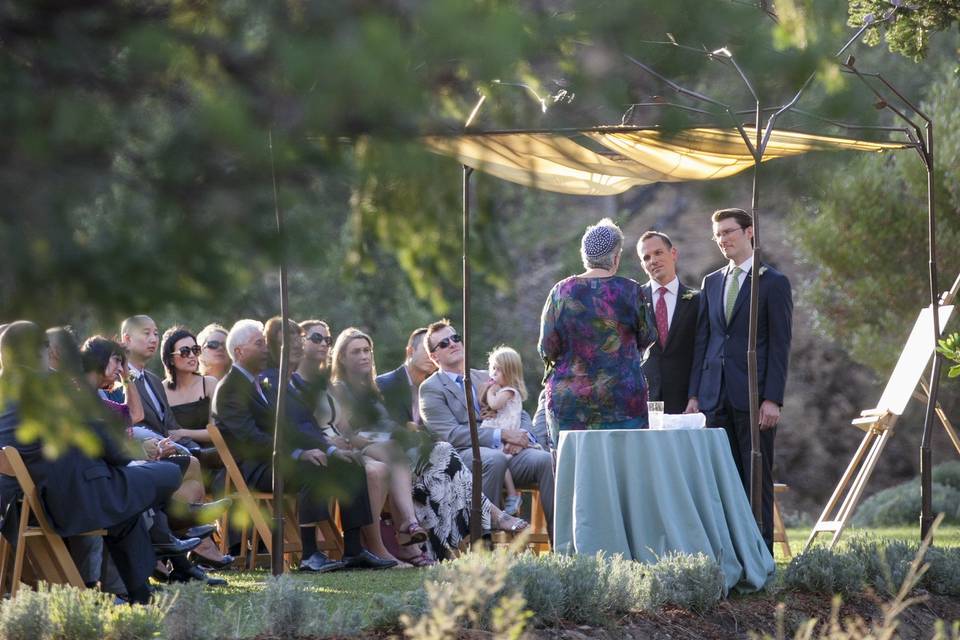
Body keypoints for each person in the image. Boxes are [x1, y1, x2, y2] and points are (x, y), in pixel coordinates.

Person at [0, 321, 183, 603]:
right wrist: (136, 454)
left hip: (18, 507)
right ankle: (163, 552)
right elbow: (101, 438)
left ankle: (139, 593)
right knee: (169, 472)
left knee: (127, 510)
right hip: (68, 500)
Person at [212, 319, 395, 571]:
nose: (267, 348)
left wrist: (331, 450)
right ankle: (309, 554)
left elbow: (290, 430)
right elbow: (250, 439)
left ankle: (354, 550)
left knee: (351, 464)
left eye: (265, 343)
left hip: (279, 459)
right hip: (256, 468)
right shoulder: (230, 389)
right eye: (259, 344)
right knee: (313, 468)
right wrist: (299, 454)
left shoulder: (262, 384)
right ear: (239, 352)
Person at [687, 208, 793, 552]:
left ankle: (761, 554)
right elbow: (704, 342)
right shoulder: (712, 282)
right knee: (721, 480)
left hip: (754, 396)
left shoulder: (773, 283)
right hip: (714, 397)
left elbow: (780, 345)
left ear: (749, 232)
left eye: (729, 232)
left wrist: (773, 398)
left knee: (756, 478)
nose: (723, 240)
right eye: (718, 234)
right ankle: (729, 552)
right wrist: (695, 395)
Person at [420, 320, 554, 532]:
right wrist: (502, 435)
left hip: (510, 453)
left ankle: (562, 545)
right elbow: (451, 434)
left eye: (455, 338)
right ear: (434, 356)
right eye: (443, 343)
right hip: (465, 457)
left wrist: (523, 436)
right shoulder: (430, 389)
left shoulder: (486, 376)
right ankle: (483, 542)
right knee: (492, 459)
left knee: (546, 460)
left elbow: (519, 410)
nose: (453, 344)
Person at [328, 327, 434, 566]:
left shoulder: (372, 390)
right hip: (349, 451)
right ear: (342, 358)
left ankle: (407, 536)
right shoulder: (339, 388)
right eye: (356, 352)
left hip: (376, 450)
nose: (364, 356)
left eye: (367, 350)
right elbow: (343, 431)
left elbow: (385, 424)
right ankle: (406, 527)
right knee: (390, 455)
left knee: (394, 453)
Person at [538, 218, 657, 431]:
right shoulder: (631, 291)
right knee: (624, 463)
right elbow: (648, 336)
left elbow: (546, 347)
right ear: (616, 257)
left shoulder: (561, 291)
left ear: (585, 257)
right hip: (623, 401)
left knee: (574, 464)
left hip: (570, 403)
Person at [638, 230, 701, 414]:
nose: (653, 261)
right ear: (643, 265)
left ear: (673, 254)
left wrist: (696, 395)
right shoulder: (634, 300)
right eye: (646, 257)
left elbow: (702, 352)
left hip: (686, 402)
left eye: (658, 253)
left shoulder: (698, 300)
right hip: (645, 401)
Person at [478, 346, 530, 516]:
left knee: (499, 460)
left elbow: (494, 404)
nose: (493, 373)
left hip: (505, 431)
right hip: (500, 431)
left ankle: (512, 496)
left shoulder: (508, 391)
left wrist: (490, 392)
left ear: (510, 372)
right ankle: (510, 496)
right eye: (492, 368)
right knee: (501, 463)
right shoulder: (504, 390)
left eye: (498, 370)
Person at [160, 326, 218, 446]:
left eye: (195, 350)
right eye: (185, 352)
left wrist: (182, 433)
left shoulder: (209, 384)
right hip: (179, 458)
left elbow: (217, 431)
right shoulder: (160, 390)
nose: (192, 355)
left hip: (214, 456)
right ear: (170, 359)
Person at [376, 327, 436, 425]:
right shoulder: (384, 384)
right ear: (410, 352)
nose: (432, 355)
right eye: (427, 349)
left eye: (434, 350)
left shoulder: (435, 389)